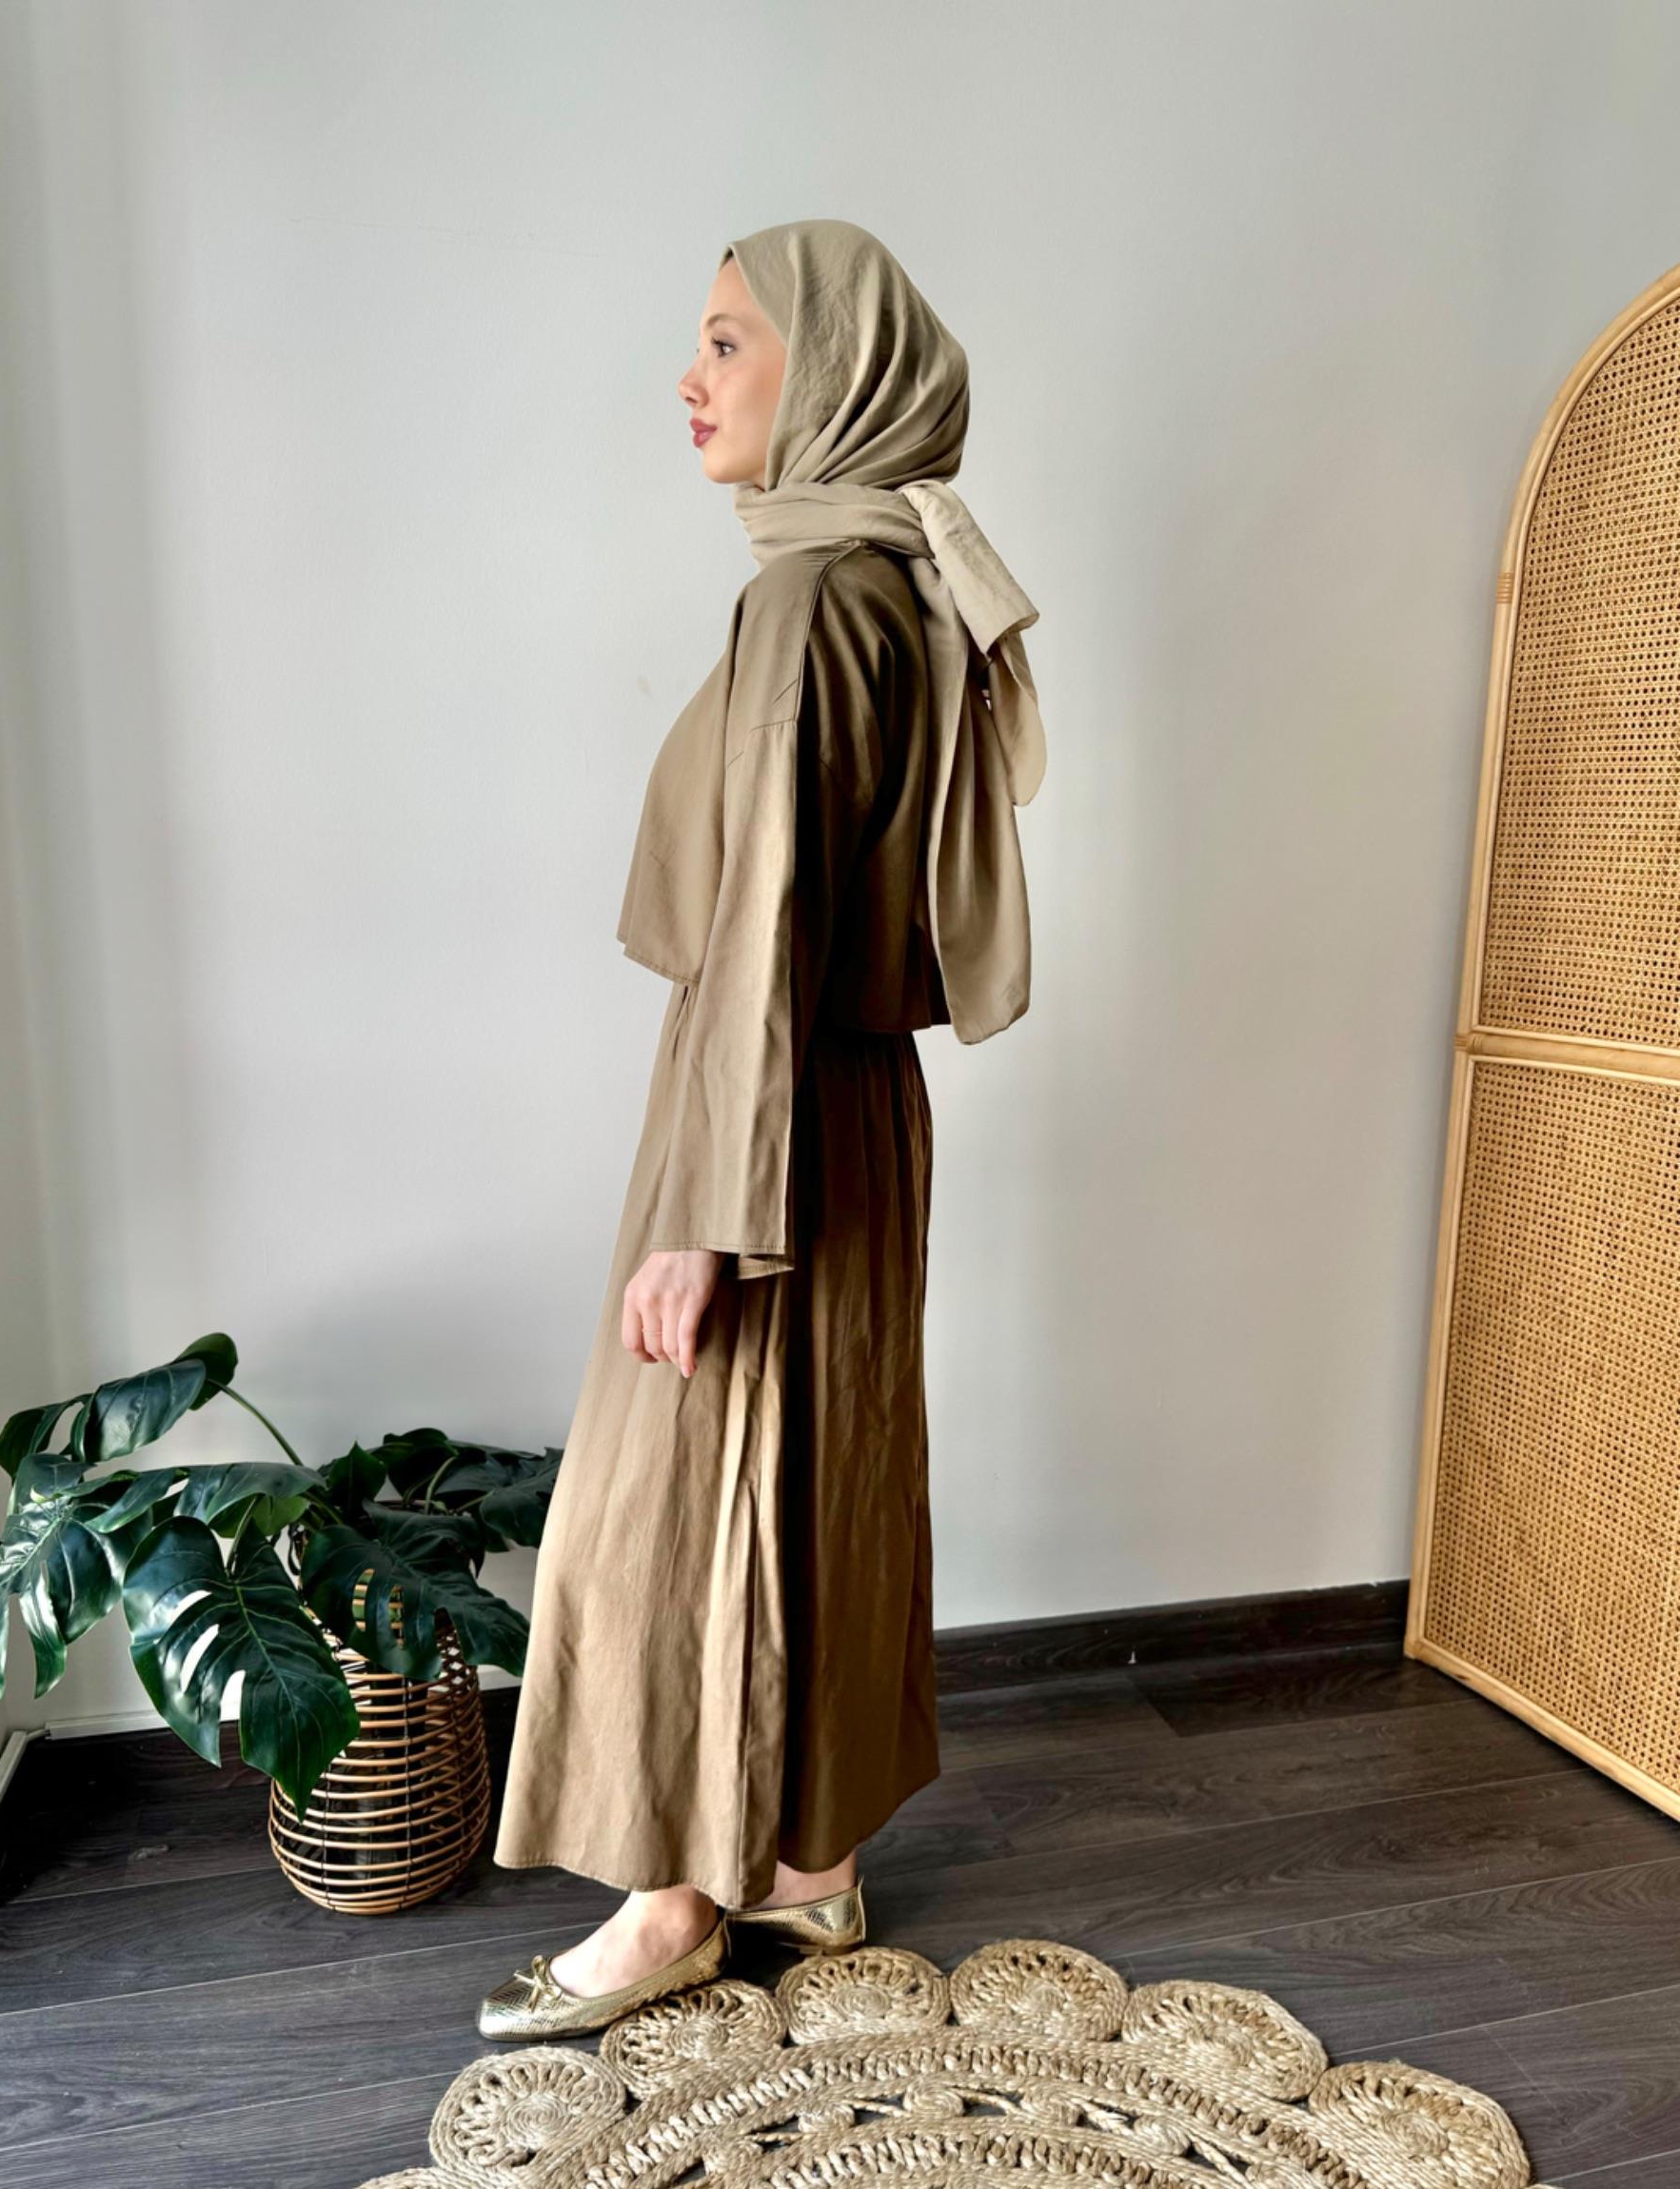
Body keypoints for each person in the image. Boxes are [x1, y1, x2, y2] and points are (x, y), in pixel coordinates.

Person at [480, 217, 1048, 2039]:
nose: (691, 375)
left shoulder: (811, 598)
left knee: (672, 1503)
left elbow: (765, 924)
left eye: (728, 340)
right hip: (846, 1103)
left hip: (761, 1105)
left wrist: (703, 1217)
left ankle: (669, 1902)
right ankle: (808, 1866)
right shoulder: (892, 581)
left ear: (836, 372)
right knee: (819, 1474)